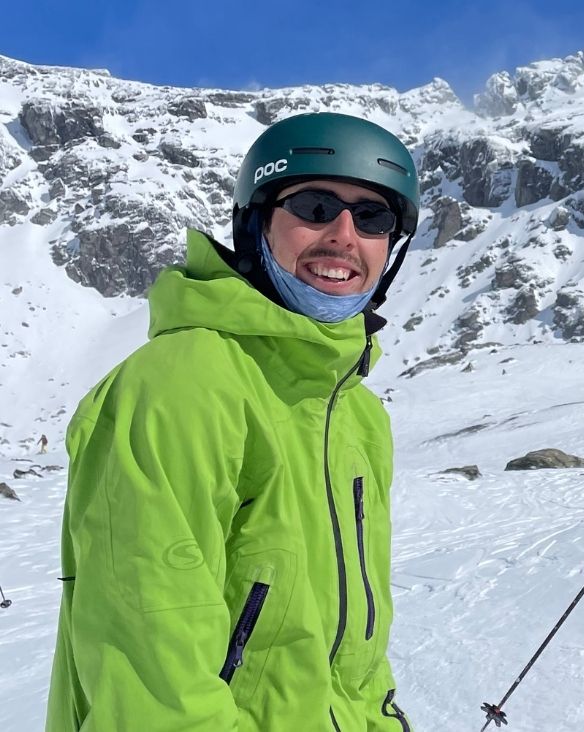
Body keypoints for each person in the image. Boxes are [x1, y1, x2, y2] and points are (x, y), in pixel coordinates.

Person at [46, 113, 420, 731]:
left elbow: (356, 643)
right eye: (315, 205)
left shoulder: (356, 412)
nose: (344, 235)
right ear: (255, 223)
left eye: (373, 216)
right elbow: (152, 672)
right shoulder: (180, 384)